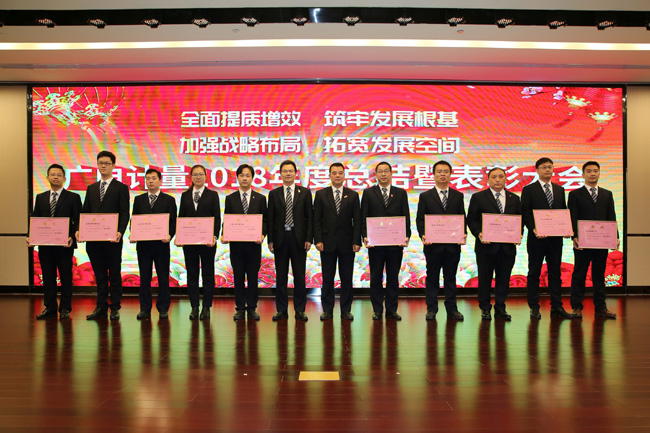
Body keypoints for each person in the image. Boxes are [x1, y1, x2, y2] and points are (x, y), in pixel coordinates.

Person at [76, 150, 130, 320]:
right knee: (99, 275)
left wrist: (120, 232)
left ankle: (115, 307)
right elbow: (85, 212)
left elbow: (124, 212)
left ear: (113, 166)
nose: (104, 166)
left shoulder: (121, 188)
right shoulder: (91, 188)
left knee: (114, 273)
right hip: (94, 240)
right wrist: (80, 229)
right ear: (97, 165)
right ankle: (100, 307)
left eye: (107, 163)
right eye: (101, 163)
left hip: (113, 239)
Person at [521, 157, 574, 320]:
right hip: (536, 239)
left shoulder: (559, 189)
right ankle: (534, 307)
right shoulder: (529, 189)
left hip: (555, 240)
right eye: (544, 167)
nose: (547, 170)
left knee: (555, 272)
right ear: (537, 170)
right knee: (534, 272)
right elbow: (525, 212)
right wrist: (534, 228)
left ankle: (557, 306)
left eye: (550, 167)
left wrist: (567, 228)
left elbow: (563, 212)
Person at [467, 167, 522, 321]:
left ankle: (500, 308)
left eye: (500, 177)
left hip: (507, 247)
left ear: (505, 179)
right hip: (486, 246)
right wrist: (479, 233)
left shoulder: (514, 198)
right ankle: (485, 308)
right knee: (485, 279)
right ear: (488, 179)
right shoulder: (478, 197)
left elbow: (520, 219)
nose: (497, 180)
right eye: (494, 177)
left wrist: (518, 233)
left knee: (504, 279)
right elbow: (472, 219)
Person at [28, 164, 82, 320]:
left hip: (65, 244)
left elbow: (78, 220)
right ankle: (50, 307)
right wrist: (31, 236)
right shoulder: (41, 197)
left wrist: (72, 236)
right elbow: (36, 219)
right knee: (48, 276)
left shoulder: (73, 197)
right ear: (47, 178)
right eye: (53, 174)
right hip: (46, 245)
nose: (56, 177)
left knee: (65, 277)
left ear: (64, 178)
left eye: (59, 175)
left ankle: (65, 308)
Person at [415, 160, 466, 321]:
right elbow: (420, 219)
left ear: (450, 174)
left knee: (450, 277)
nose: (442, 174)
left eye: (445, 171)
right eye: (439, 171)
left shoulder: (458, 196)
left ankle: (452, 309)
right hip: (433, 245)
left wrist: (462, 234)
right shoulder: (425, 196)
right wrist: (423, 234)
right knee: (432, 277)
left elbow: (461, 217)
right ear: (434, 174)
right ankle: (431, 309)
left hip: (452, 245)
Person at [568, 161, 619, 319]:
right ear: (583, 174)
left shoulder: (607, 194)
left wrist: (615, 237)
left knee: (599, 275)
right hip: (582, 242)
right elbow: (573, 216)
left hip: (601, 242)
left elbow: (611, 216)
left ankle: (601, 307)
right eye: (589, 171)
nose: (592, 174)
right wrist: (574, 236)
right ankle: (577, 307)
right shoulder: (575, 194)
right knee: (579, 274)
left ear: (599, 173)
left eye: (595, 171)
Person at [361, 161, 411, 321]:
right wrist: (365, 235)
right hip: (375, 243)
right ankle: (377, 310)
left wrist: (406, 235)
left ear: (391, 173)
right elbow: (364, 216)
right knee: (375, 277)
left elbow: (406, 216)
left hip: (395, 243)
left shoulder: (400, 193)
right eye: (380, 171)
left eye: (386, 171)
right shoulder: (368, 193)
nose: (383, 174)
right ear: (375, 175)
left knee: (393, 277)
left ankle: (391, 310)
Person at [313, 162, 361, 321]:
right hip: (326, 243)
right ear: (329, 175)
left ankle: (346, 310)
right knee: (327, 278)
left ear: (344, 175)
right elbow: (316, 220)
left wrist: (357, 241)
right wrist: (318, 240)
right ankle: (327, 310)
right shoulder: (321, 194)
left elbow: (357, 220)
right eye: (334, 173)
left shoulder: (352, 195)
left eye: (340, 173)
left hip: (347, 244)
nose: (337, 175)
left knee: (346, 278)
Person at [267, 160, 313, 322]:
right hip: (280, 239)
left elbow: (309, 217)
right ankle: (281, 310)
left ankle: (300, 310)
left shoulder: (305, 192)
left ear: (295, 173)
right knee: (281, 276)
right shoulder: (274, 194)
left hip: (298, 239)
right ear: (280, 174)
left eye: (290, 171)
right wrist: (270, 240)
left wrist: (309, 238)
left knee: (299, 276)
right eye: (285, 171)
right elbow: (270, 219)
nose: (288, 173)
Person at [130, 168, 177, 320]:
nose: (150, 181)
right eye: (148, 178)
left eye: (153, 178)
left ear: (160, 181)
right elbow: (134, 219)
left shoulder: (169, 200)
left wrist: (169, 235)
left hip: (161, 245)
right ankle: (145, 309)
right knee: (144, 277)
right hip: (143, 245)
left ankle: (163, 308)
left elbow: (173, 221)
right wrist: (133, 233)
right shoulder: (139, 199)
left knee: (163, 277)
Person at [222, 164, 267, 321]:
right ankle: (240, 308)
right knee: (238, 277)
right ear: (237, 178)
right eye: (241, 175)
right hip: (236, 246)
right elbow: (227, 219)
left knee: (253, 277)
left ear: (252, 178)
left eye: (247, 175)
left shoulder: (260, 198)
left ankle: (252, 308)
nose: (245, 178)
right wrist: (224, 234)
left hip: (254, 245)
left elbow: (265, 220)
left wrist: (263, 234)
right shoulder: (231, 198)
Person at [178, 164, 221, 320]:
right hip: (190, 242)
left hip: (208, 242)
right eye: (195, 174)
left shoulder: (213, 195)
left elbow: (217, 218)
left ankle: (207, 307)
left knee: (208, 274)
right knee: (192, 274)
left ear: (205, 176)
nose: (198, 177)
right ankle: (194, 307)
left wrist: (214, 236)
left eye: (200, 174)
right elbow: (181, 217)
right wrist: (180, 236)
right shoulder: (185, 195)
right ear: (191, 177)